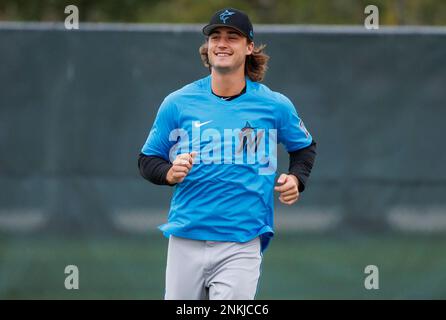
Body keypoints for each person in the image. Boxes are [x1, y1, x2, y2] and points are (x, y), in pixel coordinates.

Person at [138, 8, 317, 300]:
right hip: (186, 236)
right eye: (215, 37)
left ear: (248, 47)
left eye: (232, 37)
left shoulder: (274, 105)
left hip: (242, 240)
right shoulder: (178, 103)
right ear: (207, 48)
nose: (222, 43)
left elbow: (304, 147)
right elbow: (147, 160)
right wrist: (169, 173)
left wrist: (297, 179)